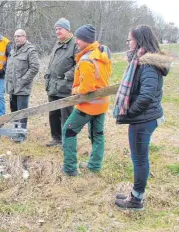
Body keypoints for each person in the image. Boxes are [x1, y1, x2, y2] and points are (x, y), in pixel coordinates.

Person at [113, 25, 171, 210]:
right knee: (140, 158)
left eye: (130, 40)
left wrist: (129, 112)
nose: (128, 43)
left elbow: (146, 96)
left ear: (139, 41)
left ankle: (136, 200)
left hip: (143, 119)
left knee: (139, 159)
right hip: (144, 118)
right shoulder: (141, 61)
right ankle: (135, 194)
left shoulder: (147, 64)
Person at [61, 24, 112, 176]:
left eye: (78, 39)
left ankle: (70, 168)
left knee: (68, 131)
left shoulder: (86, 59)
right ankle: (94, 166)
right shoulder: (102, 53)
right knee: (98, 134)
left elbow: (87, 88)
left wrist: (74, 90)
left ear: (86, 40)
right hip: (102, 104)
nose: (76, 41)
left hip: (88, 105)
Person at [44, 18, 78, 147]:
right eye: (56, 29)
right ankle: (56, 138)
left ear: (68, 29)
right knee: (53, 113)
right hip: (53, 86)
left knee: (66, 115)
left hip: (66, 86)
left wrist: (66, 76)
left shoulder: (75, 44)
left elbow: (79, 65)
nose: (57, 31)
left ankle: (67, 142)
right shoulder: (58, 43)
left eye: (60, 29)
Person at [5, 29, 40, 142]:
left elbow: (35, 67)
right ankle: (15, 131)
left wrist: (23, 80)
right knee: (14, 110)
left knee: (22, 111)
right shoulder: (13, 50)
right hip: (12, 87)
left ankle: (21, 134)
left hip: (23, 87)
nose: (17, 38)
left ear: (25, 37)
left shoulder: (30, 50)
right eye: (15, 36)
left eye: (19, 36)